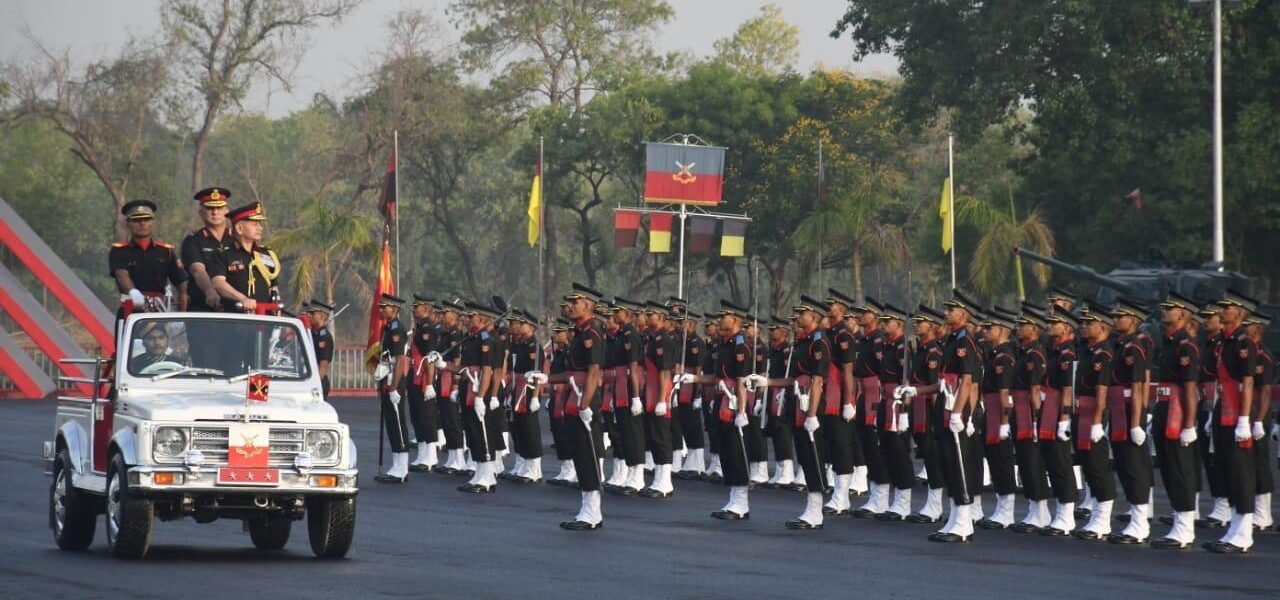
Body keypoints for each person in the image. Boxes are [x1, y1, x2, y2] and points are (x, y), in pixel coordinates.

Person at [537, 284, 607, 530]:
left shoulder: (591, 333)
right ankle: (586, 507)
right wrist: (547, 378)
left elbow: (593, 372)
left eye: (575, 302)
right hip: (574, 397)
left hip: (583, 400)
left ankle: (592, 512)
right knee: (580, 453)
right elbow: (570, 372)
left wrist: (586, 405)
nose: (570, 306)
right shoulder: (580, 332)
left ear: (587, 304)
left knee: (587, 455)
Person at [1204, 290, 1260, 554]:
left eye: (1227, 307)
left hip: (1236, 413)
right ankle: (1235, 528)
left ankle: (1245, 532)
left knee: (1241, 473)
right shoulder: (1223, 342)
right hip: (1223, 411)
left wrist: (1245, 420)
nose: (1222, 310)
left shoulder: (1243, 343)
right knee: (1228, 471)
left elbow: (1248, 383)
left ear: (1239, 312)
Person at [1151, 292, 1203, 549]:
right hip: (1164, 408)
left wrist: (1189, 425)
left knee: (1180, 470)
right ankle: (1178, 520)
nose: (1164, 311)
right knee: (1169, 468)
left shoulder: (1186, 345)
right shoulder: (1170, 342)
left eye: (1169, 308)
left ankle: (1185, 527)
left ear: (1182, 313)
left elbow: (1190, 389)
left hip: (1178, 412)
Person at [1107, 298, 1155, 544]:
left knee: (1134, 467)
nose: (1115, 320)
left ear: (1133, 321)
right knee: (1124, 466)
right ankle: (1135, 517)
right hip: (1118, 411)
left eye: (1120, 317)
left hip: (1128, 412)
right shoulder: (1120, 346)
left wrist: (1136, 422)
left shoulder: (1134, 347)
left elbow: (1137, 388)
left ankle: (1140, 522)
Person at [1071, 306, 1118, 541]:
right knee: (1088, 465)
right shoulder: (1089, 352)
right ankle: (1096, 515)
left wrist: (1098, 422)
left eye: (1089, 323)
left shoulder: (1103, 354)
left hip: (1095, 415)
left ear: (1102, 327)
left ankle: (1103, 519)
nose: (1084, 325)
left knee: (1099, 467)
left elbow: (1102, 392)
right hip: (1083, 412)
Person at [108, 199, 188, 331]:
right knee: (126, 350)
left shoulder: (166, 251)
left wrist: (180, 318)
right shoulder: (119, 251)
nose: (142, 223)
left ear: (152, 222)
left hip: (159, 312)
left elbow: (182, 286)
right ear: (128, 223)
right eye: (136, 220)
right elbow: (122, 275)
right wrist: (133, 292)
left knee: (159, 350)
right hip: (130, 310)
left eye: (146, 219)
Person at [1008, 307, 1052, 533]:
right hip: (1020, 410)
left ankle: (1041, 511)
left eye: (1023, 325)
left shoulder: (1035, 354)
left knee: (1034, 463)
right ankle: (1034, 509)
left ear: (1034, 329)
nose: (1018, 328)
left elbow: (1036, 389)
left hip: (1029, 413)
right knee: (1025, 463)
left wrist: (1037, 420)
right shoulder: (1025, 352)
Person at [902, 306, 946, 524]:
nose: (917, 325)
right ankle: (932, 502)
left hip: (929, 409)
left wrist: (938, 419)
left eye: (922, 322)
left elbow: (936, 387)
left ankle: (936, 504)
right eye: (917, 322)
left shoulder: (933, 352)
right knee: (927, 457)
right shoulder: (919, 350)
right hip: (917, 408)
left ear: (932, 326)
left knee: (933, 457)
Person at [976, 308, 1019, 530]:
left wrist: (1004, 424)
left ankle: (1007, 510)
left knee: (1003, 463)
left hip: (999, 416)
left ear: (1002, 330)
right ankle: (1001, 507)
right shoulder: (995, 354)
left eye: (989, 328)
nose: (984, 331)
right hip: (991, 413)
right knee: (994, 461)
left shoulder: (1004, 356)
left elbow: (1005, 394)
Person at [874, 304, 915, 521]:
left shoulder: (902, 348)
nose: (883, 325)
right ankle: (895, 498)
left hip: (898, 404)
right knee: (888, 451)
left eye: (887, 321)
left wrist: (905, 412)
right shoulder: (889, 346)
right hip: (885, 401)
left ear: (899, 324)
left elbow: (906, 381)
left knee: (900, 453)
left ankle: (904, 501)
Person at [820, 289, 860, 516]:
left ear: (842, 309)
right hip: (828, 395)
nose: (829, 306)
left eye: (833, 304)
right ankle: (837, 492)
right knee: (832, 445)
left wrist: (848, 402)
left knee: (842, 445)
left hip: (838, 395)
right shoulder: (830, 331)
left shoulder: (843, 333)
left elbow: (847, 370)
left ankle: (842, 496)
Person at [208, 201, 282, 314]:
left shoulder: (266, 254)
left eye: (260, 224)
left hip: (264, 319)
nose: (260, 228)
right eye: (254, 224)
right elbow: (218, 283)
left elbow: (273, 288)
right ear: (239, 228)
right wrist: (242, 299)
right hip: (235, 319)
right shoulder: (223, 254)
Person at [372, 293, 411, 483]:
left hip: (394, 381)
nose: (381, 310)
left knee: (397, 422)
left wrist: (394, 387)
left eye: (385, 307)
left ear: (395, 309)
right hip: (387, 379)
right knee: (391, 423)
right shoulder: (388, 329)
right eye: (381, 306)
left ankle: (402, 467)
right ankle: (396, 464)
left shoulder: (397, 329)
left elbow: (400, 361)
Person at [180, 187, 235, 312]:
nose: (215, 212)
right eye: (210, 208)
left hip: (235, 309)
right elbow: (198, 270)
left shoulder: (236, 240)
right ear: (201, 212)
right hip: (202, 308)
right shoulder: (192, 241)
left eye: (219, 208)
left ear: (227, 211)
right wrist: (210, 292)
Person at [507, 309, 545, 483]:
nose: (519, 326)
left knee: (530, 428)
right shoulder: (522, 345)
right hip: (518, 388)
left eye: (522, 323)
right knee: (519, 427)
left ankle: (534, 467)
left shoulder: (534, 346)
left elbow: (537, 373)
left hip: (529, 389)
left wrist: (536, 396)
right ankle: (523, 462)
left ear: (530, 327)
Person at [1243, 311, 1273, 532]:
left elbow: (1265, 391)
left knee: (1260, 464)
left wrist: (1259, 421)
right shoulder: (1247, 352)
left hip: (1258, 415)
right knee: (1247, 464)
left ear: (1259, 329)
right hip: (1247, 414)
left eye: (1249, 325)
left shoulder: (1263, 355)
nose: (1245, 328)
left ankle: (1264, 513)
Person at [763, 317, 801, 491]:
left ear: (783, 333)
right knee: (776, 431)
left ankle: (787, 471)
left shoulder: (787, 350)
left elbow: (789, 375)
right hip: (774, 391)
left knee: (783, 431)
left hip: (784, 392)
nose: (771, 332)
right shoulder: (775, 350)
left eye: (775, 329)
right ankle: (780, 470)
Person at [406, 295, 440, 472]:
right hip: (414, 377)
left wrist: (429, 383)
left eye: (417, 306)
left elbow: (429, 358)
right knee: (416, 417)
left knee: (427, 417)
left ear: (426, 308)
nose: (414, 309)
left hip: (423, 378)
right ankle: (421, 453)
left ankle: (431, 455)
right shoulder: (419, 328)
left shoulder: (428, 329)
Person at [306, 300, 335, 400]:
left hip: (318, 382)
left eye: (312, 313)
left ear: (321, 316)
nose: (309, 315)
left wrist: (314, 384)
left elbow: (323, 365)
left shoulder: (324, 337)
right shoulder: (314, 335)